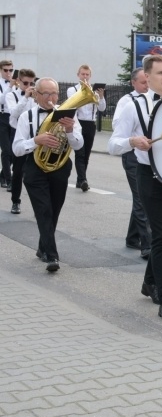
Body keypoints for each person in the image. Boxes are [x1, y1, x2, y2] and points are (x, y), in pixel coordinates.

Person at [108, 55, 162, 322]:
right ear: (147, 77)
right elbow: (113, 144)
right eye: (161, 73)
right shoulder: (133, 106)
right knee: (161, 237)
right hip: (149, 176)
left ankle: (149, 282)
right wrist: (132, 141)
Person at [13, 77, 84, 272]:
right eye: (46, 94)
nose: (51, 98)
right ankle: (52, 256)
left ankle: (43, 247)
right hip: (34, 168)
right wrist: (36, 140)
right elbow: (17, 149)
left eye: (54, 93)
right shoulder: (26, 116)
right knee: (43, 210)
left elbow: (79, 145)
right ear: (36, 95)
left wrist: (69, 130)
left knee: (54, 210)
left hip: (60, 167)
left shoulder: (68, 114)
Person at [113, 68, 151, 259]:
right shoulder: (127, 102)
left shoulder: (152, 100)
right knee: (141, 199)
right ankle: (147, 244)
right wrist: (135, 138)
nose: (147, 85)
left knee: (141, 197)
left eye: (148, 81)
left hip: (149, 155)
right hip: (132, 154)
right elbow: (117, 127)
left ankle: (132, 237)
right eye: (143, 82)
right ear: (133, 83)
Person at [67, 64, 106, 192]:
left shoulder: (94, 91)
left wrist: (101, 96)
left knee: (86, 153)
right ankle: (83, 179)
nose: (85, 76)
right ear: (78, 75)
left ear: (90, 76)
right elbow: (73, 104)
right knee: (80, 152)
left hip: (90, 124)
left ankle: (80, 180)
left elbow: (102, 108)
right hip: (78, 123)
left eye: (87, 74)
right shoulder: (72, 90)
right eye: (82, 74)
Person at [6, 69, 37, 214]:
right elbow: (14, 113)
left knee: (36, 171)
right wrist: (25, 97)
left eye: (32, 83)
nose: (29, 86)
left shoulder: (35, 96)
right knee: (18, 171)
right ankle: (15, 201)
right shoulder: (11, 95)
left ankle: (38, 204)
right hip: (18, 134)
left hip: (34, 135)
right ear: (18, 82)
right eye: (25, 83)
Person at [0, 59, 14, 189]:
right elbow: (2, 100)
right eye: (5, 70)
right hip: (2, 117)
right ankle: (8, 180)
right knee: (6, 150)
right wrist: (10, 86)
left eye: (11, 70)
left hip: (14, 117)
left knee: (14, 150)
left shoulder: (16, 84)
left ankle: (2, 175)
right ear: (1, 70)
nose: (8, 73)